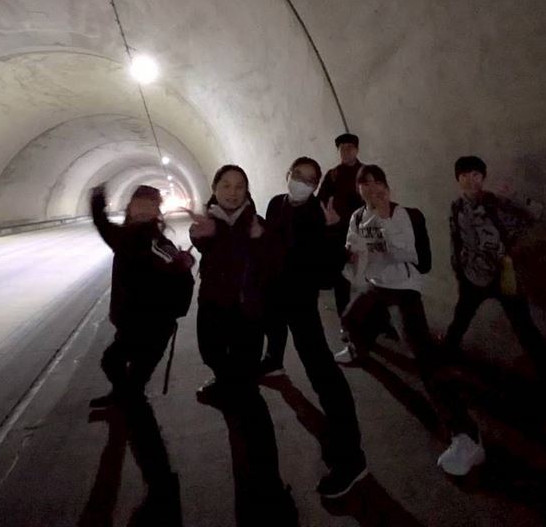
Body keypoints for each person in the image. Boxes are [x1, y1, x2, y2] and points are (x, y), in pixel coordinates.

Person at [335, 164, 486, 477]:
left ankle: (468, 437)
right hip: (375, 285)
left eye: (378, 182)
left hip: (403, 290)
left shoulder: (402, 215)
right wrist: (351, 252)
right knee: (349, 318)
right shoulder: (357, 217)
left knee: (424, 359)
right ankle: (359, 348)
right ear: (358, 189)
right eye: (365, 183)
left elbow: (412, 257)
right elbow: (354, 250)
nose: (372, 188)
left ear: (387, 186)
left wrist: (385, 222)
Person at [189, 164, 295, 519]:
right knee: (215, 360)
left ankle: (268, 486)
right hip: (213, 313)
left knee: (248, 395)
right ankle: (224, 385)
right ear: (215, 188)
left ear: (246, 190)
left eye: (239, 186)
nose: (233, 192)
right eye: (226, 185)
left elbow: (275, 263)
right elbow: (203, 241)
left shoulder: (256, 223)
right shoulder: (209, 222)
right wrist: (202, 237)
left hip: (248, 317)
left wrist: (260, 241)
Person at [442, 155, 546, 437]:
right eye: (464, 175)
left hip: (503, 277)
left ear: (483, 177)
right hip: (473, 278)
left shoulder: (496, 203)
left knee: (527, 331)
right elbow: (455, 241)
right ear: (458, 180)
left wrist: (512, 197)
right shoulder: (456, 207)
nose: (470, 180)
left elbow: (536, 213)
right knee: (460, 320)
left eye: (476, 175)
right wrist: (459, 272)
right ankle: (444, 362)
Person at [261, 157, 369, 498]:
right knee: (274, 329)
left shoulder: (319, 214)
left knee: (323, 373)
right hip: (276, 293)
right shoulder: (275, 204)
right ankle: (273, 361)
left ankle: (352, 459)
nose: (302, 183)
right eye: (298, 175)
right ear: (288, 174)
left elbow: (327, 275)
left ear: (316, 184)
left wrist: (334, 231)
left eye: (310, 179)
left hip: (301, 301)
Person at [88, 184, 195, 407]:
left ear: (157, 211)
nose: (144, 208)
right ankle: (123, 395)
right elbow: (102, 224)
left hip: (156, 327)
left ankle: (133, 407)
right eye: (140, 203)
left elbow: (181, 277)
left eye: (151, 204)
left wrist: (183, 264)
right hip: (129, 324)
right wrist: (97, 199)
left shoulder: (159, 244)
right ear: (130, 208)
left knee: (135, 376)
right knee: (111, 362)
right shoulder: (122, 238)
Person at [316, 133, 366, 317]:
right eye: (342, 149)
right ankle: (345, 319)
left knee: (368, 277)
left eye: (349, 148)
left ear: (357, 150)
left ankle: (377, 321)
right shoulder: (333, 175)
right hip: (338, 234)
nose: (346, 152)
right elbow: (321, 201)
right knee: (341, 279)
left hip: (362, 232)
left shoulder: (366, 173)